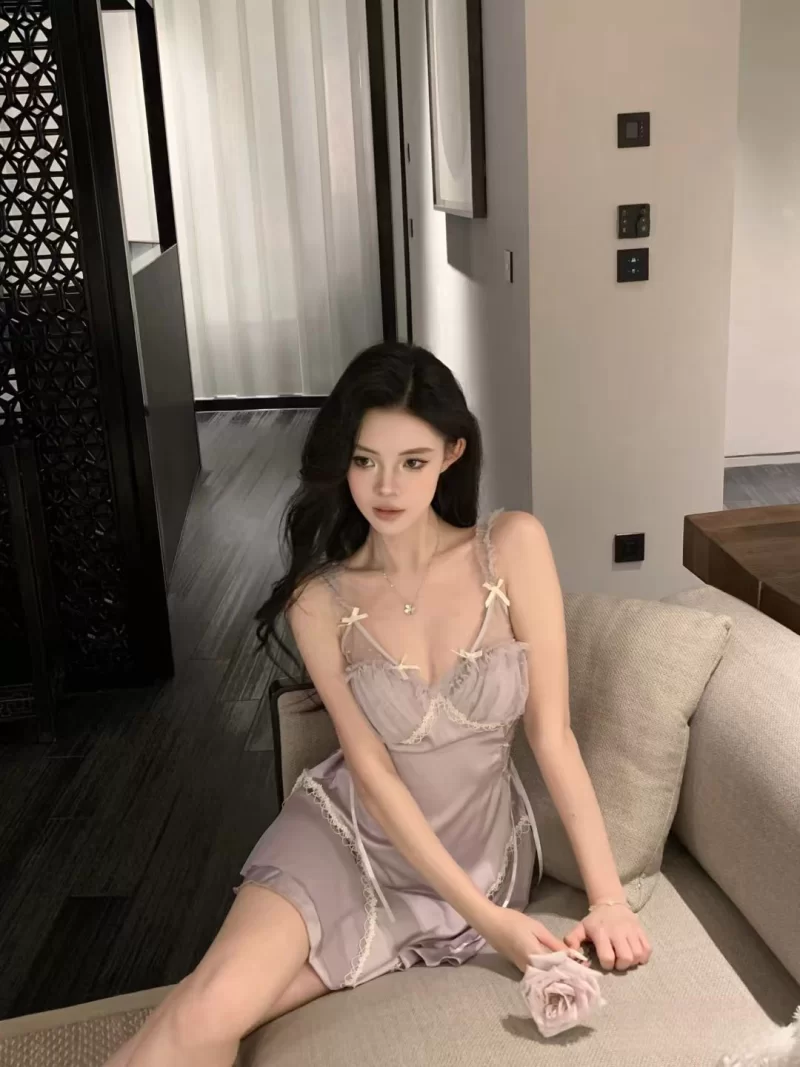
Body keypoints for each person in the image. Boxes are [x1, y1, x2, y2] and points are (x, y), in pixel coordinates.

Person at [105, 341, 651, 1067]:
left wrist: (609, 899)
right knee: (205, 1014)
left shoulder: (513, 545)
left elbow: (553, 736)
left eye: (412, 462)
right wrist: (491, 923)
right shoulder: (319, 599)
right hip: (347, 839)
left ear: (453, 453)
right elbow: (371, 770)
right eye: (365, 460)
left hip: (481, 854)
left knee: (193, 1014)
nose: (385, 487)